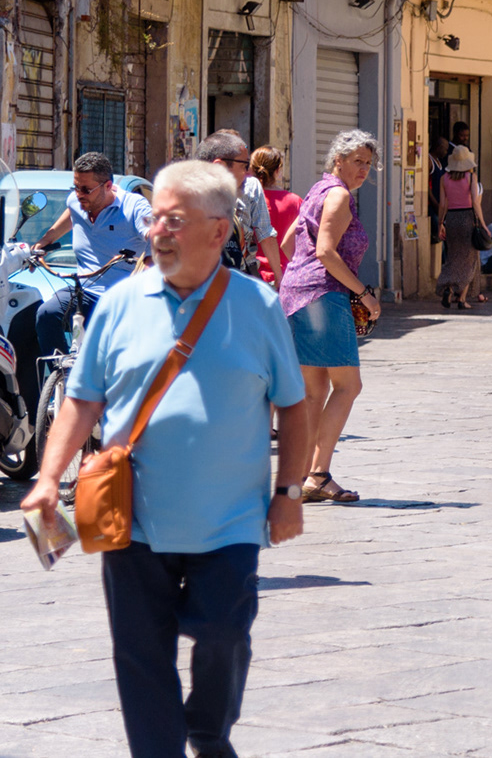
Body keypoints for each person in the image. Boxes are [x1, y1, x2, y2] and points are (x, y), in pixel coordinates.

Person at [23, 159, 310, 758]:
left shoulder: (258, 307)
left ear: (219, 230)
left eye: (173, 221)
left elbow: (294, 406)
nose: (156, 232)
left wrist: (289, 493)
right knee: (140, 653)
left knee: (223, 634)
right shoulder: (119, 305)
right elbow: (82, 400)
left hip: (230, 521)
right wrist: (48, 478)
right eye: (155, 219)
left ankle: (208, 731)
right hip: (132, 519)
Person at [279, 130, 381, 504]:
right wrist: (364, 293)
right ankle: (319, 475)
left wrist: (301, 274)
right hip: (323, 296)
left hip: (296, 295)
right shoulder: (338, 196)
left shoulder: (317, 191)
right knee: (348, 386)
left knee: (314, 391)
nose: (364, 169)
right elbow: (325, 251)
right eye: (357, 161)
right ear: (338, 159)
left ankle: (301, 475)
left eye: (368, 163)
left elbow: (289, 244)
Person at [12, 151, 153, 417]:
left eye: (86, 189)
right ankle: (65, 381)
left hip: (123, 297)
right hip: (85, 290)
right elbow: (68, 217)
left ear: (108, 186)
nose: (79, 194)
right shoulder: (77, 201)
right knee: (47, 314)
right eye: (75, 187)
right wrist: (43, 242)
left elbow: (154, 234)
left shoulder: (134, 206)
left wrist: (149, 261)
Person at [197, 131, 284, 284]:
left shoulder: (250, 186)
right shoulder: (183, 200)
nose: (248, 172)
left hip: (240, 275)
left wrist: (279, 277)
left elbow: (266, 234)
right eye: (244, 166)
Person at [435, 145, 485, 310]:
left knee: (453, 257)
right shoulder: (471, 177)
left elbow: (443, 204)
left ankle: (448, 286)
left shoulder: (444, 178)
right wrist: (483, 224)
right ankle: (462, 299)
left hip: (451, 219)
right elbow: (475, 202)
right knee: (470, 260)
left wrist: (441, 224)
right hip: (467, 218)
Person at [249, 147, 302, 286]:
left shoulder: (248, 201)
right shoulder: (295, 202)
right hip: (285, 277)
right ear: (278, 170)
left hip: (252, 275)